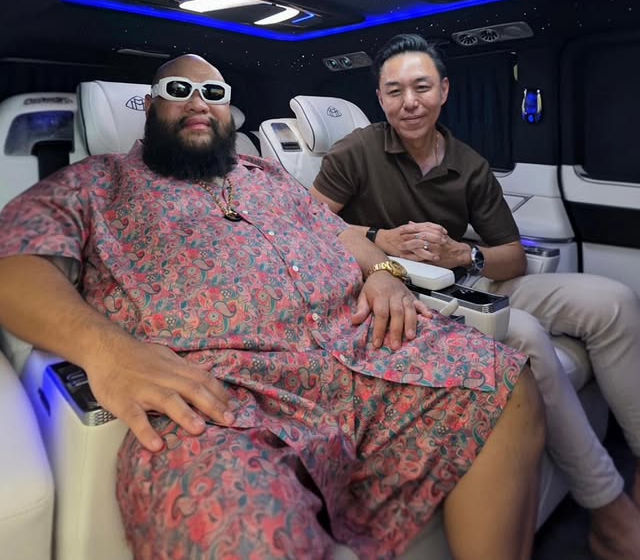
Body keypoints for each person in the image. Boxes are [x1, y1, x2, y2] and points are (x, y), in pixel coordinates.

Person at [0, 54, 543, 560]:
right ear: (150, 105)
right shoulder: (96, 182)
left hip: (360, 352)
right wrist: (108, 351)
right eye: (179, 90)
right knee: (238, 526)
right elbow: (14, 264)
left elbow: (340, 234)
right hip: (224, 400)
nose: (198, 102)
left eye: (213, 93)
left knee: (502, 383)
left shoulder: (268, 176)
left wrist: (383, 270)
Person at [311, 33, 640, 560]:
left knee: (613, 301)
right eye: (395, 91)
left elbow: (512, 256)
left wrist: (462, 254)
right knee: (522, 331)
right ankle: (607, 507)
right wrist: (379, 239)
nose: (409, 102)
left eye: (421, 87)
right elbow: (306, 225)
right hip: (407, 289)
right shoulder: (356, 151)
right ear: (380, 99)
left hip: (468, 276)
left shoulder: (469, 164)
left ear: (444, 91)